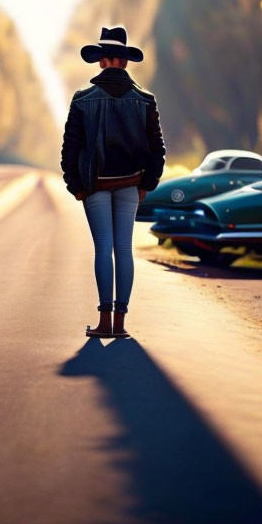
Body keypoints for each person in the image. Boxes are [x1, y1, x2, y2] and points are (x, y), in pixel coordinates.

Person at [60, 26, 166, 338]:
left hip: (94, 185)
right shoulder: (145, 101)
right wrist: (148, 183)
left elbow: (70, 149)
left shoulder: (82, 100)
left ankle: (104, 321)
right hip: (132, 184)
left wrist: (75, 185)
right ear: (126, 62)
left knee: (102, 249)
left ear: (101, 61)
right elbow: (157, 149)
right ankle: (120, 323)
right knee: (124, 249)